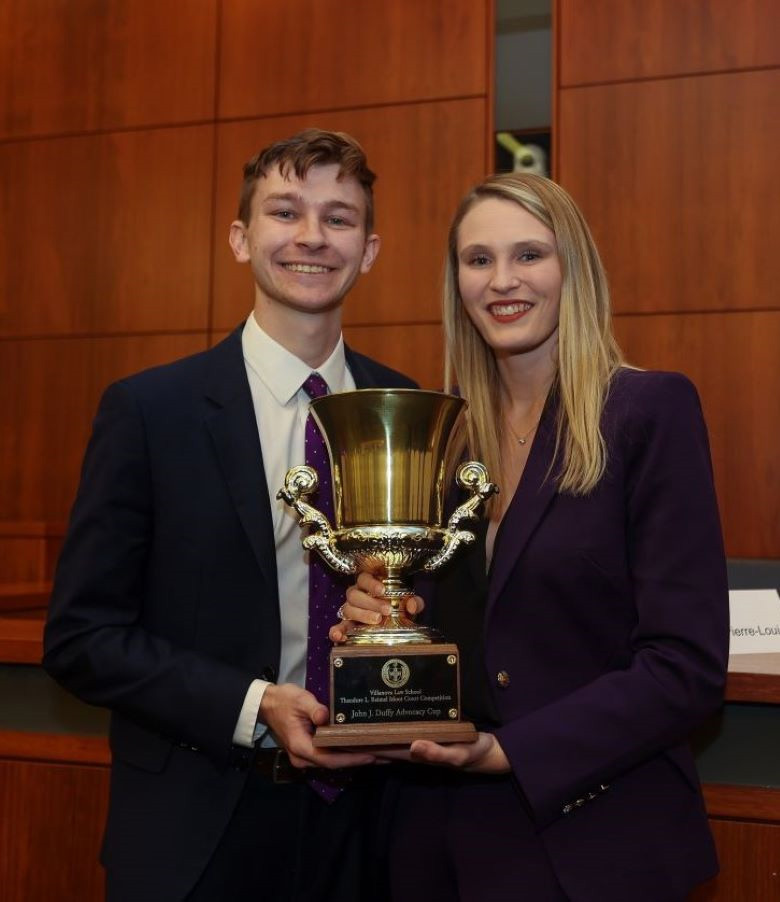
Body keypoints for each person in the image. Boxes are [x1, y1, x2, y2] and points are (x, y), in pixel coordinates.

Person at [43, 129, 416, 902]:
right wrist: (253, 706)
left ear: (370, 250)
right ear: (242, 239)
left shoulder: (406, 411)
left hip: (375, 829)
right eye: (286, 212)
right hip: (199, 826)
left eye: (339, 218)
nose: (312, 236)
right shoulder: (150, 411)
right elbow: (83, 638)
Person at [335, 172, 729, 901]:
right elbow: (449, 635)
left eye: (529, 255)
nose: (502, 281)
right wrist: (382, 623)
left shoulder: (647, 412)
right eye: (478, 260)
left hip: (590, 844)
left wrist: (509, 751)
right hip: (433, 843)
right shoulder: (444, 440)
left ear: (571, 269)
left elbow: (686, 666)